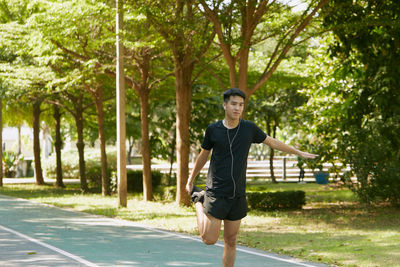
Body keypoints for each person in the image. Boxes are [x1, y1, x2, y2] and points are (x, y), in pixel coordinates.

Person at [185, 88, 317, 267]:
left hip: (237, 194)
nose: (237, 108)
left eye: (241, 105)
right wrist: (191, 180)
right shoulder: (213, 130)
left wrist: (297, 152)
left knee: (231, 241)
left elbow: (273, 142)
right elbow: (203, 155)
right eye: (233, 104)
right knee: (209, 239)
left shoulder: (249, 129)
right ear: (225, 105)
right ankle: (198, 201)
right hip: (216, 192)